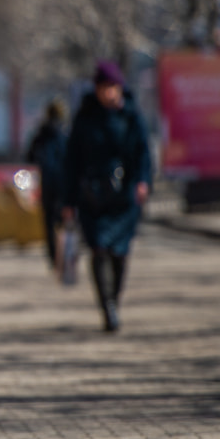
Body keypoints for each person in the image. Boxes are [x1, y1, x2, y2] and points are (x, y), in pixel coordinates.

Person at [62, 60, 151, 332]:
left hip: (124, 197)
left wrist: (143, 181)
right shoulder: (85, 117)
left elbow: (143, 153)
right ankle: (107, 308)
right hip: (93, 197)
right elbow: (72, 161)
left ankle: (114, 299)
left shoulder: (131, 116)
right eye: (103, 87)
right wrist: (68, 201)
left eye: (112, 87)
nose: (108, 92)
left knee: (119, 254)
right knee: (99, 249)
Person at [26, 99, 69, 268]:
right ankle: (64, 254)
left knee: (49, 223)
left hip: (48, 183)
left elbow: (29, 157)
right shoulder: (65, 133)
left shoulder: (41, 134)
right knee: (65, 221)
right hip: (64, 184)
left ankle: (54, 257)